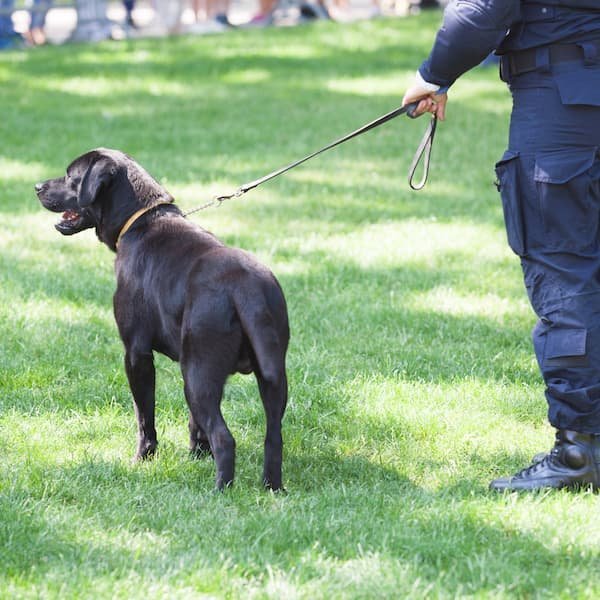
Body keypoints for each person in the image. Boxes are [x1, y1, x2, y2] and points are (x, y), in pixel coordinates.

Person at [402, 1, 600, 492]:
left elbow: (483, 9)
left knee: (565, 275)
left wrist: (433, 74)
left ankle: (580, 452)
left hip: (562, 103)